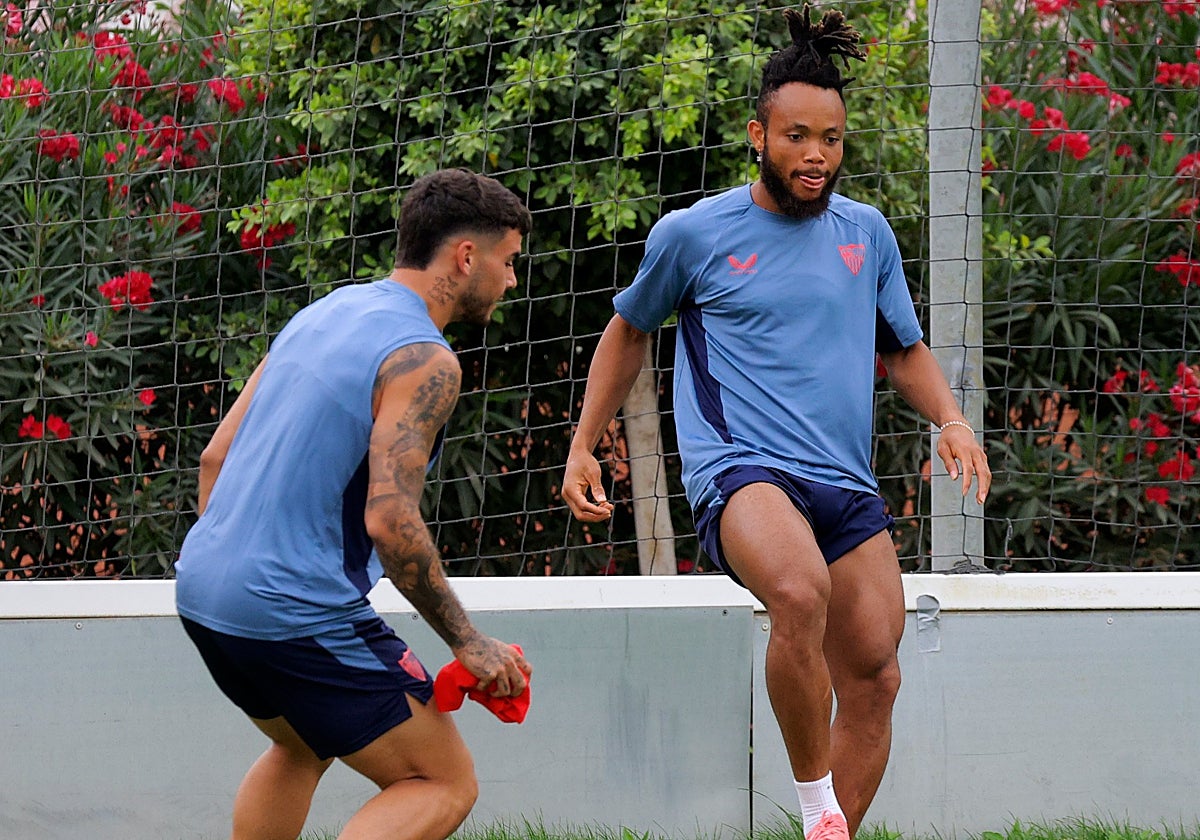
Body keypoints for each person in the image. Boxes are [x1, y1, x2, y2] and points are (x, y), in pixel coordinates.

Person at [562, 7, 991, 840]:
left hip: (842, 482)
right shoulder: (694, 235)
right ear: (758, 133)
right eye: (798, 136)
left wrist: (951, 418)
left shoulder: (865, 234)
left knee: (875, 674)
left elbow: (902, 347)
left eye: (831, 139)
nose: (817, 155)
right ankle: (814, 804)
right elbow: (629, 330)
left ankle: (826, 835)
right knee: (800, 591)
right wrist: (584, 440)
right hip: (741, 471)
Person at [175, 167, 534, 840]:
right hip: (291, 608)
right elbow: (391, 520)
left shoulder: (324, 313)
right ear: (465, 256)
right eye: (508, 261)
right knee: (441, 781)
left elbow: (215, 458)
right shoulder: (426, 358)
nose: (511, 280)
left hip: (203, 589)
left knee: (304, 745)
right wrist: (469, 642)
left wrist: (242, 578)